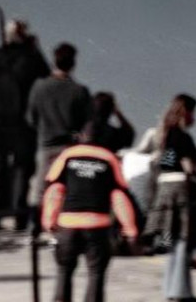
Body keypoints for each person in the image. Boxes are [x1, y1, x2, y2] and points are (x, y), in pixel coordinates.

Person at [40, 113, 140, 302]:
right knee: (96, 274)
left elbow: (54, 190)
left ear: (81, 136)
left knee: (64, 272)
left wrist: (49, 221)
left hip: (68, 225)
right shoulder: (109, 158)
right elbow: (119, 197)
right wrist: (130, 229)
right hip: (97, 227)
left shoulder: (67, 156)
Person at [0, 18, 50, 231]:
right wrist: (35, 48)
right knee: (22, 168)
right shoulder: (32, 58)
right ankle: (19, 217)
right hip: (23, 122)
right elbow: (47, 78)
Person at [146, 93, 196, 302]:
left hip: (165, 188)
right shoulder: (184, 137)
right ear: (187, 113)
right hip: (181, 190)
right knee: (185, 240)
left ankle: (171, 289)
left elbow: (169, 162)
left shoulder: (167, 135)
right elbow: (189, 168)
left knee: (174, 240)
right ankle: (182, 292)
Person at [27, 42, 93, 218]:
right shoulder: (80, 91)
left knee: (39, 189)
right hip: (69, 147)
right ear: (73, 63)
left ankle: (34, 224)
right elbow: (87, 123)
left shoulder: (39, 87)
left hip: (46, 145)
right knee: (68, 188)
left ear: (54, 61)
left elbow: (31, 118)